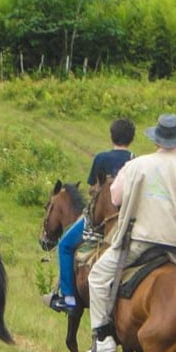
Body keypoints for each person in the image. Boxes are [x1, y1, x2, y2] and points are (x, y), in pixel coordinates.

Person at [84, 114, 176, 352]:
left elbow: (115, 198)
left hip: (141, 243)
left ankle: (104, 336)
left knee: (96, 276)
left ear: (156, 140)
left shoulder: (137, 165)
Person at [47, 118, 136, 312]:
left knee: (65, 246)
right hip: (128, 219)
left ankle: (67, 296)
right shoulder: (135, 160)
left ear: (111, 136)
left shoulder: (102, 159)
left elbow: (93, 190)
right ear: (132, 139)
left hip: (100, 219)